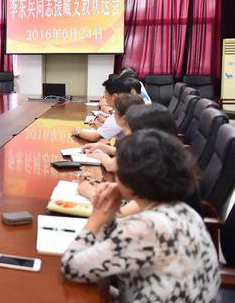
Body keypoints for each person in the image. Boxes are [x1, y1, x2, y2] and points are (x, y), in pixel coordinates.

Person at [62, 129, 220, 302]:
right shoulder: (184, 210)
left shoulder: (146, 227)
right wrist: (109, 214)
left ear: (133, 177)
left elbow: (72, 267)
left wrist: (95, 218)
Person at [81, 93, 145, 168]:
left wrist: (99, 156)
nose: (112, 115)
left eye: (115, 112)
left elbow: (111, 166)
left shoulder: (134, 138)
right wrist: (101, 146)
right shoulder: (139, 131)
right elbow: (123, 152)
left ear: (124, 118)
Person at [72, 75, 132, 142]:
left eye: (105, 93)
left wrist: (78, 131)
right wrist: (101, 127)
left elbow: (93, 137)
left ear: (114, 96)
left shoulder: (119, 115)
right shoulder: (132, 110)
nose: (104, 96)